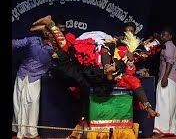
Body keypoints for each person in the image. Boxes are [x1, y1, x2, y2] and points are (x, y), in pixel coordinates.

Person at [30, 16, 159, 118]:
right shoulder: (119, 50)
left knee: (66, 57)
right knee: (71, 52)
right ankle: (50, 25)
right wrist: (148, 107)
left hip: (96, 56)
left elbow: (135, 84)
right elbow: (108, 47)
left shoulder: (120, 71)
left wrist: (148, 108)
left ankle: (49, 28)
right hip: (99, 48)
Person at [12, 29, 54, 139]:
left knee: (33, 103)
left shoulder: (52, 48)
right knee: (18, 102)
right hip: (22, 74)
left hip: (35, 78)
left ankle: (31, 132)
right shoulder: (33, 40)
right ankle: (18, 130)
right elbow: (17, 43)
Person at [153, 27, 176, 137]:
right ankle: (170, 129)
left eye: (165, 35)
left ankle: (163, 130)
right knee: (169, 104)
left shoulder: (169, 45)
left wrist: (164, 77)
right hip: (171, 78)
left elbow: (170, 62)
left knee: (164, 104)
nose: (163, 37)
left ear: (170, 37)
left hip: (167, 77)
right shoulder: (167, 46)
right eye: (162, 34)